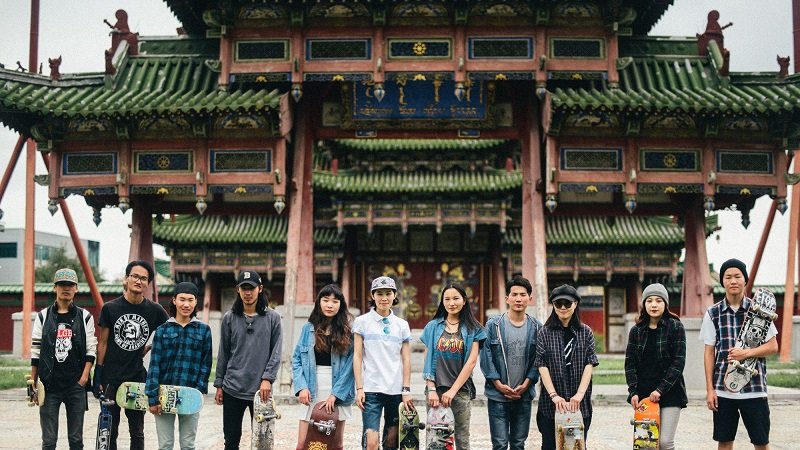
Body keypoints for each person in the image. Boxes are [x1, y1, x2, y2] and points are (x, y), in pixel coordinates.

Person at [700, 258, 779, 450]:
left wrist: (746, 353)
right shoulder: (713, 313)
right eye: (728, 277)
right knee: (724, 442)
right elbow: (709, 352)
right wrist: (710, 390)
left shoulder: (760, 311)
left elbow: (773, 347)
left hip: (755, 388)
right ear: (722, 281)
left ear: (745, 280)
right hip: (723, 388)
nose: (733, 281)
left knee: (761, 443)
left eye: (737, 276)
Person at [93, 260, 169, 450]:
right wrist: (98, 374)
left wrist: (150, 347)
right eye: (134, 276)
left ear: (148, 284)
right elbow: (102, 342)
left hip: (137, 377)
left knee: (137, 431)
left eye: (143, 278)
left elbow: (169, 334)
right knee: (109, 429)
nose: (138, 281)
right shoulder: (110, 308)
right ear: (126, 279)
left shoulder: (155, 310)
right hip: (110, 377)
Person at [214, 270, 283, 450]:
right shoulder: (229, 318)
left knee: (263, 442)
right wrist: (219, 383)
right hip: (232, 387)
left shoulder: (273, 318)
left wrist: (267, 378)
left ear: (260, 288)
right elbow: (224, 352)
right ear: (238, 290)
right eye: (244, 288)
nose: (248, 293)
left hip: (261, 391)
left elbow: (276, 352)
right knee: (231, 441)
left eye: (251, 288)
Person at [31, 268, 97, 450]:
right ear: (55, 288)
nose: (66, 288)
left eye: (70, 285)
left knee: (76, 440)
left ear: (76, 288)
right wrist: (34, 382)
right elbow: (36, 350)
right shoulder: (43, 316)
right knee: (49, 441)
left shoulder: (85, 316)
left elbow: (91, 349)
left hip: (75, 385)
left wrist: (83, 379)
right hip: (49, 384)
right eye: (62, 285)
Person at [145, 282, 212, 450]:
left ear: (196, 302)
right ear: (174, 300)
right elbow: (154, 365)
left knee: (188, 445)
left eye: (190, 300)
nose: (186, 304)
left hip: (191, 393)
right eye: (182, 299)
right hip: (164, 393)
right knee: (165, 445)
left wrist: (198, 391)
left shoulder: (204, 330)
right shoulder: (162, 330)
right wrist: (153, 397)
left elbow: (206, 364)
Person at [420, 282, 486, 450]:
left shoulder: (474, 329)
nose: (451, 303)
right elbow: (427, 359)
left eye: (456, 298)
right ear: (442, 301)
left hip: (461, 391)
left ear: (464, 300)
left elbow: (471, 362)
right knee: (436, 439)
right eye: (447, 299)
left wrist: (453, 391)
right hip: (436, 390)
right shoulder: (432, 326)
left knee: (462, 439)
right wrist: (431, 389)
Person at [480, 276, 542, 450]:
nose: (518, 299)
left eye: (523, 295)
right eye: (514, 294)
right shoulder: (494, 325)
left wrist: (526, 383)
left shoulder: (537, 327)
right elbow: (486, 356)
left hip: (524, 395)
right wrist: (498, 384)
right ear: (507, 298)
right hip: (497, 396)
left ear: (530, 298)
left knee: (518, 444)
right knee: (499, 444)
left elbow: (539, 359)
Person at [534, 284, 598, 450]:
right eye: (558, 303)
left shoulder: (586, 332)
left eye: (567, 303)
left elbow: (590, 363)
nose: (563, 307)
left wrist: (579, 395)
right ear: (553, 305)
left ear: (575, 304)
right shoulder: (544, 332)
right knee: (549, 445)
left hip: (579, 405)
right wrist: (554, 395)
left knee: (576, 446)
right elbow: (541, 365)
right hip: (550, 405)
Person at [624, 282, 687, 450]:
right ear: (644, 304)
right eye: (649, 300)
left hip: (670, 391)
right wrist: (633, 391)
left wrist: (660, 390)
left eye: (658, 301)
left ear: (665, 304)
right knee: (647, 444)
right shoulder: (636, 331)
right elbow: (630, 363)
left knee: (665, 442)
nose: (654, 305)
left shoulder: (676, 327)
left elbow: (678, 362)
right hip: (644, 393)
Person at [353, 276, 413, 450]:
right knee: (371, 442)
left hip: (395, 390)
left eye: (388, 293)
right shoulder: (362, 322)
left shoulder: (402, 325)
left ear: (395, 295)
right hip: (371, 389)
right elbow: (357, 356)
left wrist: (406, 390)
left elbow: (406, 359)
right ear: (372, 296)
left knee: (391, 440)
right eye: (379, 293)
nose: (384, 298)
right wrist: (359, 388)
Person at [292, 284, 355, 450]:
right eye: (326, 300)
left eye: (335, 301)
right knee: (303, 444)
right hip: (311, 387)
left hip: (338, 389)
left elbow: (351, 367)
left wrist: (335, 395)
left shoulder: (348, 331)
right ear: (319, 302)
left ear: (341, 305)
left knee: (336, 444)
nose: (330, 305)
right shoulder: (308, 328)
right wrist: (301, 387)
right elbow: (296, 359)